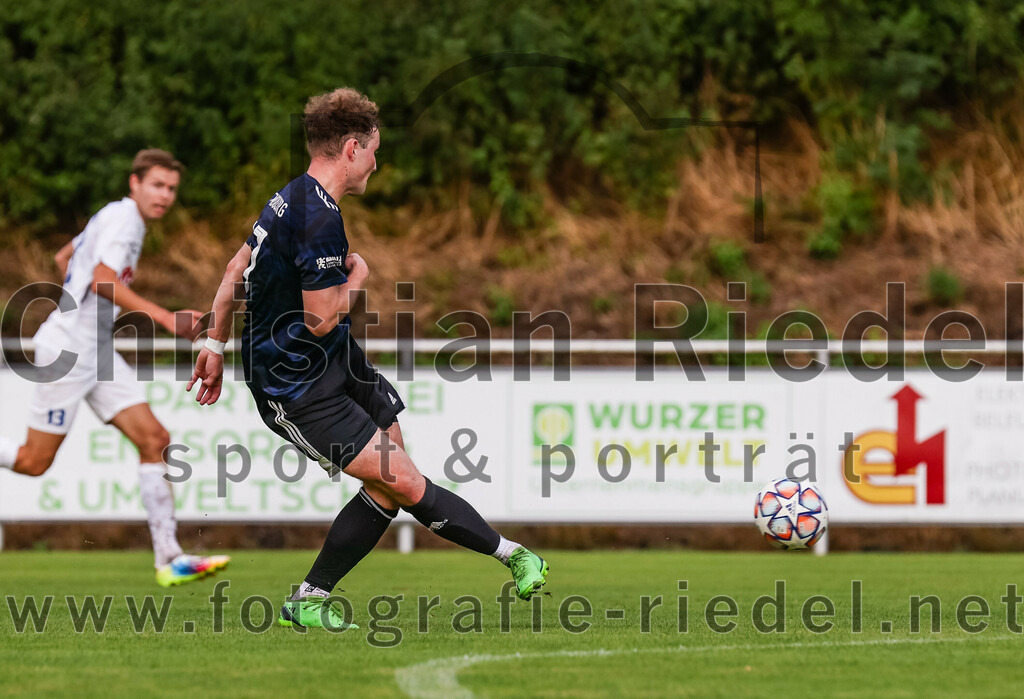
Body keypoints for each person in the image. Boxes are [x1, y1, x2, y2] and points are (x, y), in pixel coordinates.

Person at [188, 88, 549, 630]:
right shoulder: (317, 217)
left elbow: (232, 272)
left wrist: (213, 346)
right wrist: (358, 280)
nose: (377, 163)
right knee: (401, 481)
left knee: (390, 479)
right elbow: (320, 318)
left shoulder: (289, 197)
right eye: (374, 150)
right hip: (294, 385)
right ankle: (512, 554)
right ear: (352, 147)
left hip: (337, 364)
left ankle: (309, 599)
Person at [0, 149, 230, 587]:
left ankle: (170, 558)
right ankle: (169, 556)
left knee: (155, 440)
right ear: (135, 183)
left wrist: (90, 314)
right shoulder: (125, 222)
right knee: (33, 462)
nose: (165, 195)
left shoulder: (112, 214)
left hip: (95, 352)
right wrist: (163, 317)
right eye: (157, 185)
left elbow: (64, 259)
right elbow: (102, 279)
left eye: (172, 189)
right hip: (69, 352)